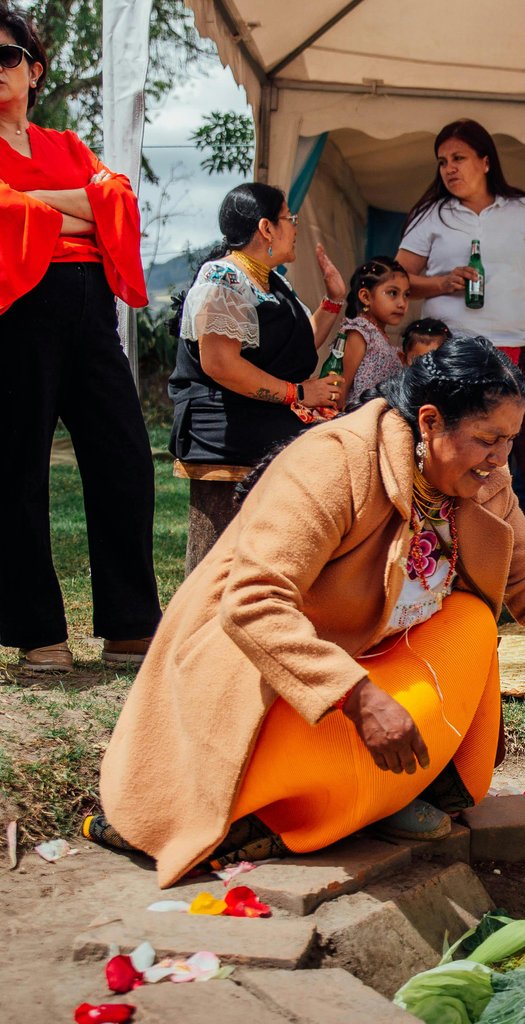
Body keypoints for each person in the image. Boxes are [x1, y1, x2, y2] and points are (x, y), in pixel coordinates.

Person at [89, 337, 525, 887]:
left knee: (471, 619)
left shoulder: (485, 479)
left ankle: (385, 792)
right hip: (260, 674)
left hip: (362, 661)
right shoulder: (336, 462)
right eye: (488, 439)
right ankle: (289, 805)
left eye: (510, 440)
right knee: (306, 781)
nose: (501, 459)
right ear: (430, 421)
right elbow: (253, 602)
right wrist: (355, 697)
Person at [0, 7, 160, 672]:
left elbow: (119, 201)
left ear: (34, 71)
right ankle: (39, 634)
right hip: (16, 311)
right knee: (16, 468)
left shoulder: (65, 143)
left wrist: (38, 202)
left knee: (126, 457)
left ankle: (128, 626)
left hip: (89, 308)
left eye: (6, 57)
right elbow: (88, 205)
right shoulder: (66, 163)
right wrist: (82, 206)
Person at [396, 119, 525, 560]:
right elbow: (397, 281)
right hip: (454, 359)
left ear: (486, 161)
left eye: (459, 158)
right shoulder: (432, 214)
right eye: (442, 162)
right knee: (456, 467)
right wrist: (440, 283)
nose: (449, 169)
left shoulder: (523, 208)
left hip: (518, 352)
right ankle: (450, 569)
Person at [169, 183, 346, 467]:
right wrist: (299, 393)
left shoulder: (273, 282)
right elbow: (220, 364)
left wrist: (334, 300)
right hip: (222, 420)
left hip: (260, 411)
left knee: (351, 429)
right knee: (333, 446)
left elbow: (295, 348)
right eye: (290, 219)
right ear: (267, 228)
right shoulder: (222, 278)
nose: (295, 228)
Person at [327, 256, 406, 410]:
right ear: (365, 297)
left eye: (406, 295)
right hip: (356, 424)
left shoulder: (382, 338)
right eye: (392, 293)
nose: (402, 303)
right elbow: (338, 390)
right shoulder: (359, 333)